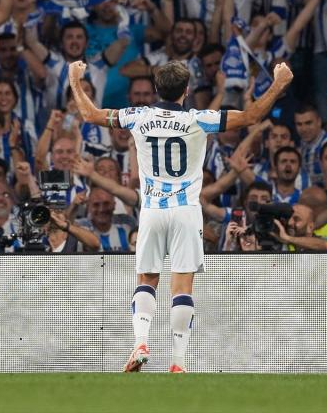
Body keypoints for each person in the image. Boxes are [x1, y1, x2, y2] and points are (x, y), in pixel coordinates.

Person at [69, 58, 293, 373]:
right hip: (186, 211)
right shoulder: (199, 119)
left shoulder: (137, 116)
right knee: (182, 285)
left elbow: (89, 114)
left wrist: (75, 79)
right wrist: (279, 83)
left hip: (152, 211)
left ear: (156, 89)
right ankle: (178, 362)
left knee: (147, 278)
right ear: (186, 90)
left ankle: (141, 342)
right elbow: (253, 116)